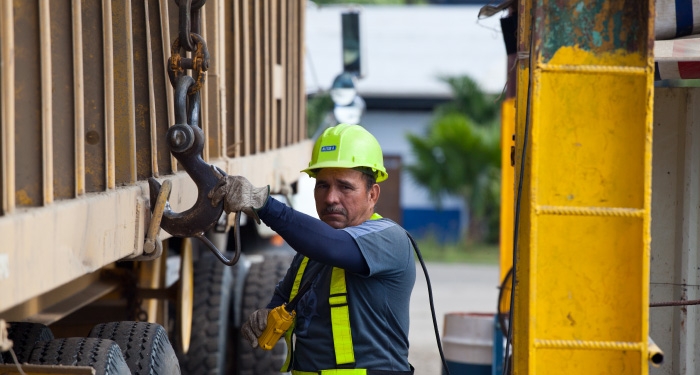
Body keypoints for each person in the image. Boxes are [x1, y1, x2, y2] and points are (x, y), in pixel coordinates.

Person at [209, 123, 416, 374]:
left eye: (345, 186)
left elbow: (333, 247)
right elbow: (282, 301)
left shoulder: (390, 239)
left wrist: (263, 204)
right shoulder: (309, 254)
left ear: (372, 194)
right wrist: (265, 317)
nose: (330, 198)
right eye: (322, 185)